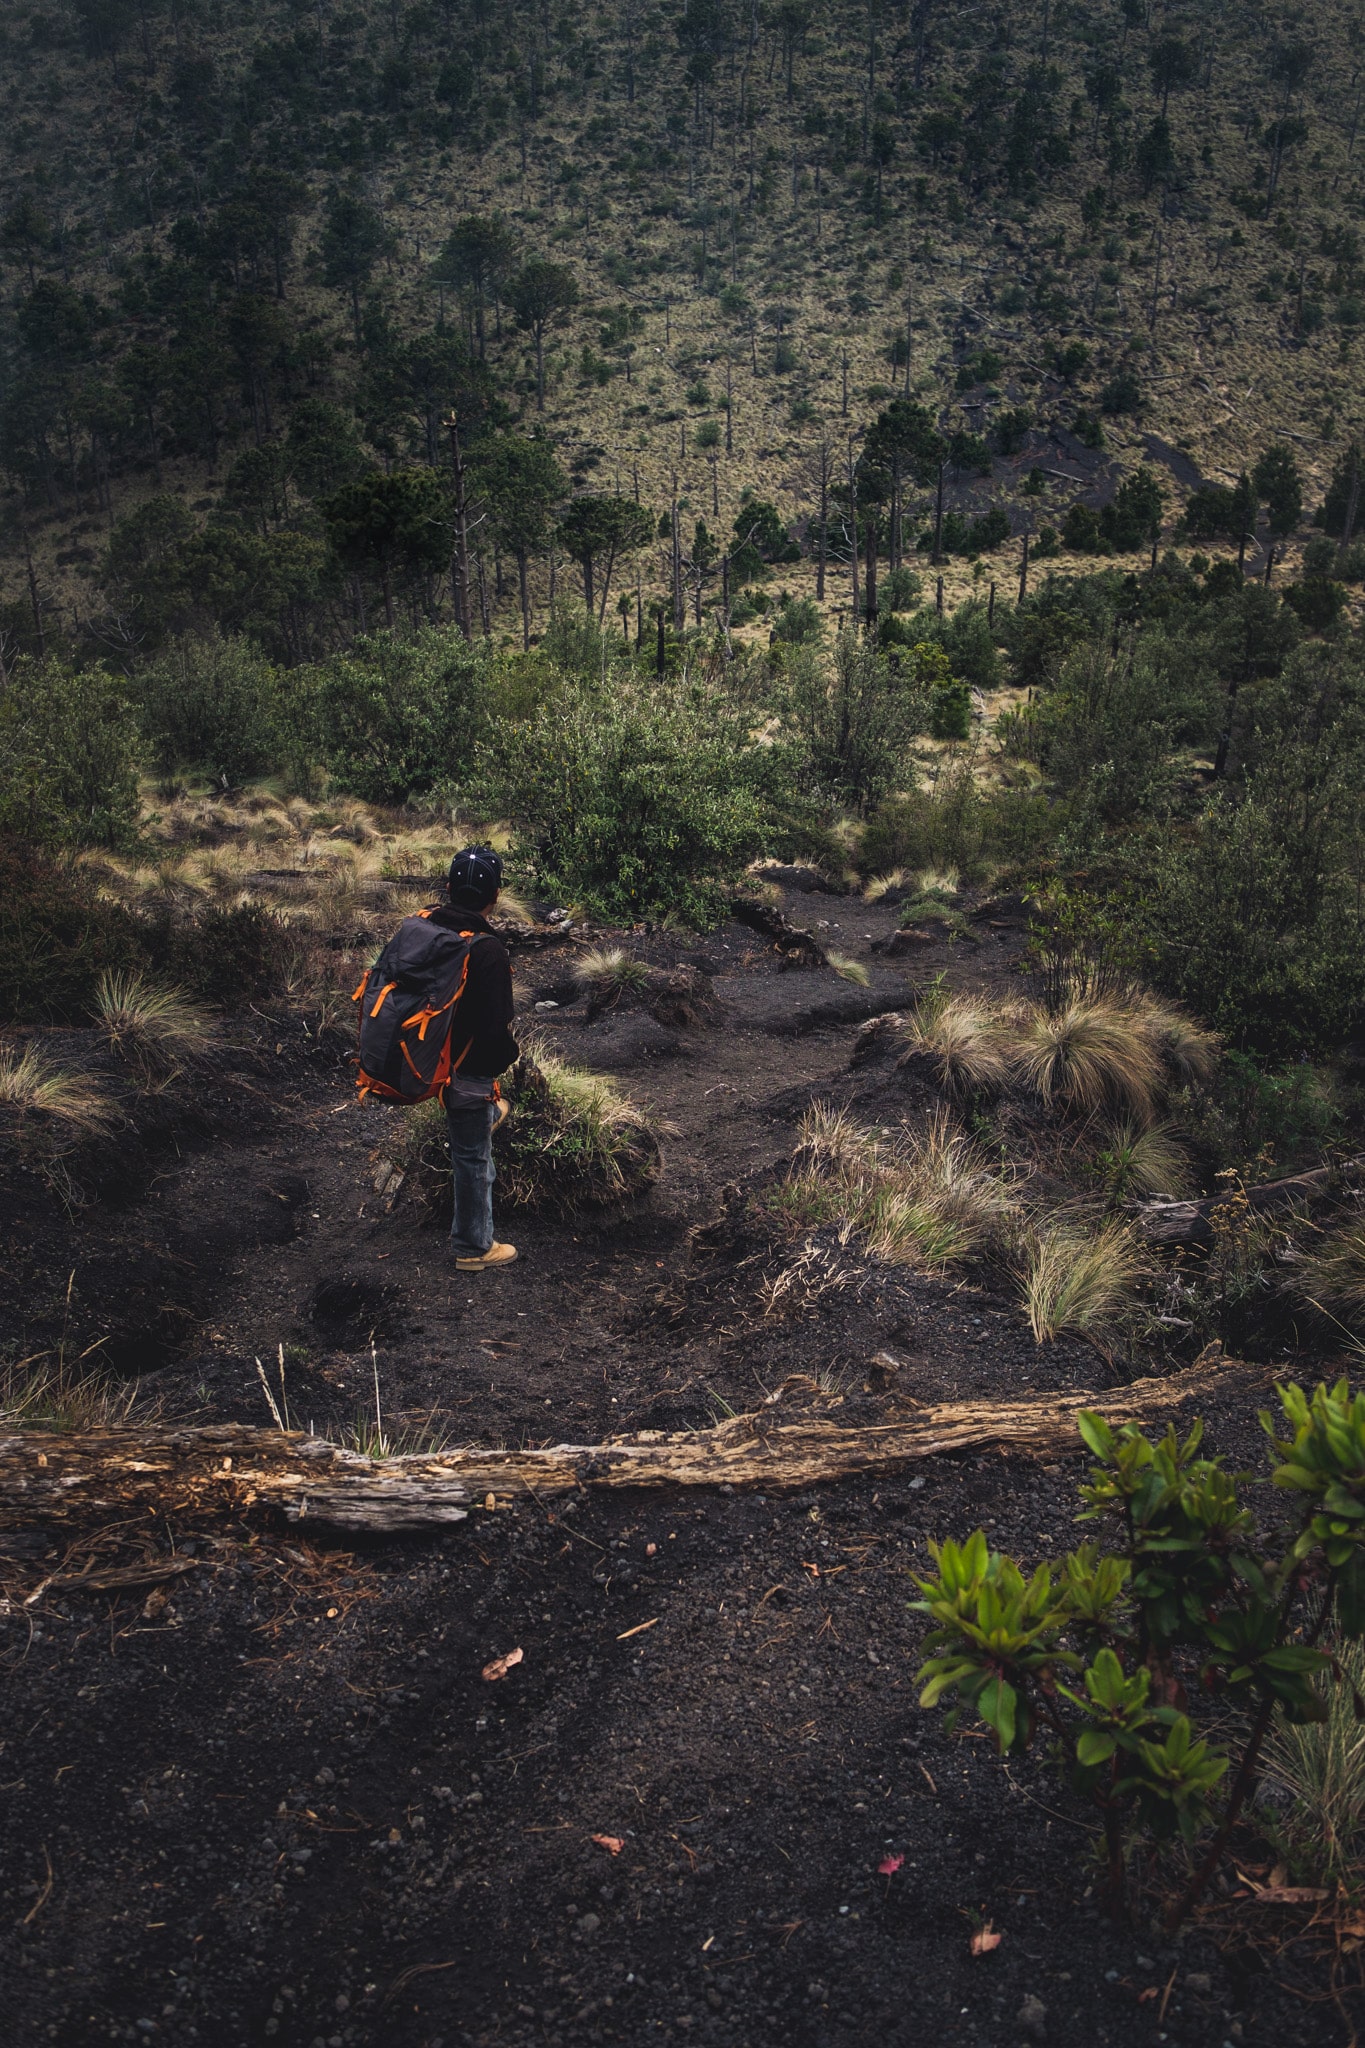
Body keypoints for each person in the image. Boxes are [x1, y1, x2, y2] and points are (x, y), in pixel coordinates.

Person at [436, 845, 519, 1270]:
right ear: (495, 896)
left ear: (449, 889)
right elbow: (496, 1026)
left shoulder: (425, 929)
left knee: (470, 1134)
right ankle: (473, 1247)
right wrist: (507, 1059)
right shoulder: (486, 950)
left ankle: (482, 1117)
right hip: (464, 1065)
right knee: (472, 1157)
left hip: (424, 1054)